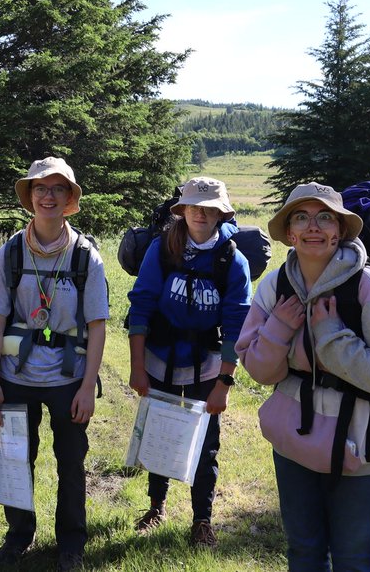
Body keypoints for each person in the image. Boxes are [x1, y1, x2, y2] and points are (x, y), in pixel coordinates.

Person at [237, 182, 370, 571]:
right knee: (303, 551)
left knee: (353, 557)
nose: (314, 226)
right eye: (302, 217)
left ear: (340, 230)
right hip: (293, 444)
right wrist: (280, 326)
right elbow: (261, 372)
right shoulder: (275, 285)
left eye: (325, 217)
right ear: (290, 233)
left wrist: (332, 336)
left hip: (363, 447)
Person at [0, 157, 110, 572]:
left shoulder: (86, 256)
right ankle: (19, 535)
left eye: (58, 189)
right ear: (30, 198)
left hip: (68, 378)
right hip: (17, 374)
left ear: (70, 198)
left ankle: (71, 542)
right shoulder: (11, 252)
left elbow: (97, 325)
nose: (48, 196)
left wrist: (88, 387)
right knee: (14, 456)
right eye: (40, 188)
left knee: (70, 462)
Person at [125, 177, 252, 547]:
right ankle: (155, 507)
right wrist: (136, 367)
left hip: (207, 361)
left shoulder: (232, 260)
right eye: (194, 205)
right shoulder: (163, 248)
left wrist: (224, 383)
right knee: (156, 431)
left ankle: (202, 520)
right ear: (182, 210)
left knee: (206, 443)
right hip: (159, 357)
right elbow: (141, 306)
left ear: (220, 212)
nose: (200, 212)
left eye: (209, 207)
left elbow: (236, 324)